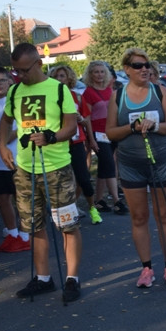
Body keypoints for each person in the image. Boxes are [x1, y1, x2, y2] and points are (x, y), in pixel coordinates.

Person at [0, 43, 83, 304]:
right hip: (25, 169)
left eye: (23, 70)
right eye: (16, 72)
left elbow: (71, 127)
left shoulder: (59, 90)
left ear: (38, 64)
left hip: (57, 167)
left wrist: (51, 137)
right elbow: (5, 120)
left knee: (67, 224)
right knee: (33, 225)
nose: (19, 76)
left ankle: (72, 278)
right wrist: (2, 145)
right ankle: (43, 278)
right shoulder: (14, 91)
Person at [105, 48, 166, 287]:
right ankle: (146, 269)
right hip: (131, 164)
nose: (144, 69)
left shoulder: (160, 91)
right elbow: (110, 132)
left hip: (161, 161)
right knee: (139, 217)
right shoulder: (118, 96)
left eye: (147, 65)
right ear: (127, 69)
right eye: (138, 66)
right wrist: (132, 127)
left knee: (164, 215)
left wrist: (154, 125)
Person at [0, 66, 31, 252]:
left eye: (2, 80)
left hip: (17, 156)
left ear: (10, 82)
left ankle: (25, 235)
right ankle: (12, 234)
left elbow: (23, 127)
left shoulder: (17, 100)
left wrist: (4, 138)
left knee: (21, 197)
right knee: (2, 197)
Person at [49, 64, 101, 225]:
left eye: (62, 76)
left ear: (69, 78)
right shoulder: (50, 97)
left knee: (83, 178)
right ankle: (63, 211)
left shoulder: (76, 97)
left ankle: (93, 208)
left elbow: (87, 120)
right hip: (58, 142)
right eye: (56, 76)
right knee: (60, 180)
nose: (59, 79)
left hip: (77, 141)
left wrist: (91, 140)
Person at [82, 60, 127, 216]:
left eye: (102, 71)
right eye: (96, 72)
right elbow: (86, 117)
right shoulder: (88, 92)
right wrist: (91, 139)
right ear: (90, 74)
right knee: (108, 164)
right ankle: (116, 201)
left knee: (103, 167)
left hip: (111, 131)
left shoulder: (110, 90)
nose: (99, 75)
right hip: (97, 133)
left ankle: (99, 200)